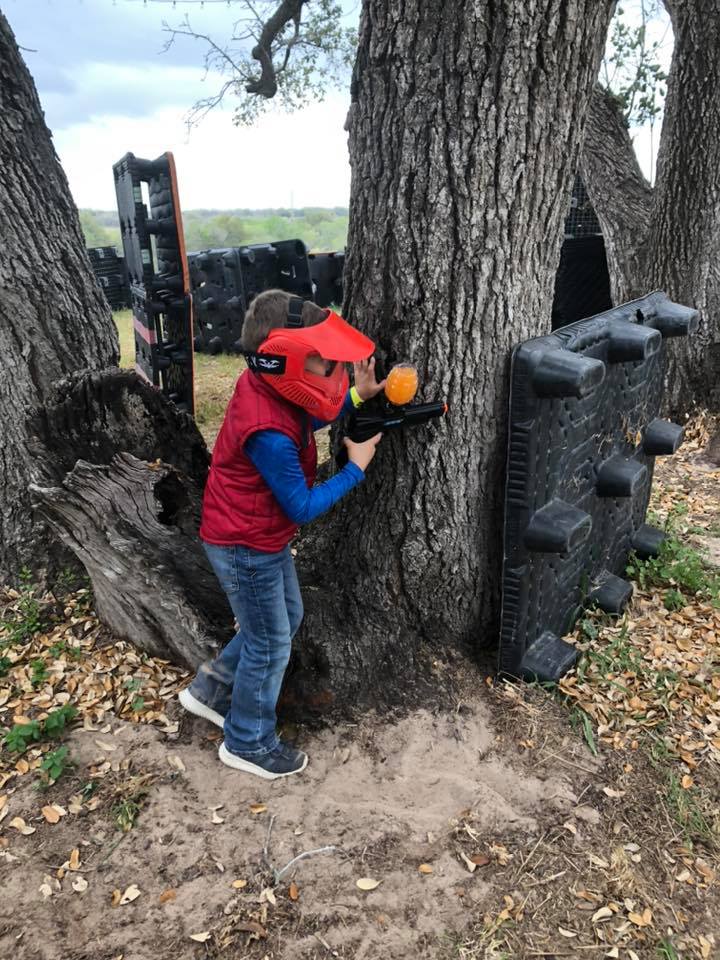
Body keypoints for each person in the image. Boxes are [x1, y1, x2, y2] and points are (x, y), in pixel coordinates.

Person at [179, 290, 385, 780]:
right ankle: (247, 741)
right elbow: (301, 504)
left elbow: (309, 411)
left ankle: (210, 692)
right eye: (321, 361)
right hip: (245, 545)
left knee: (283, 620)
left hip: (256, 536)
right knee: (270, 643)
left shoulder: (267, 385)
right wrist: (355, 469)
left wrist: (357, 395)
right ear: (283, 358)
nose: (331, 370)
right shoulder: (267, 431)